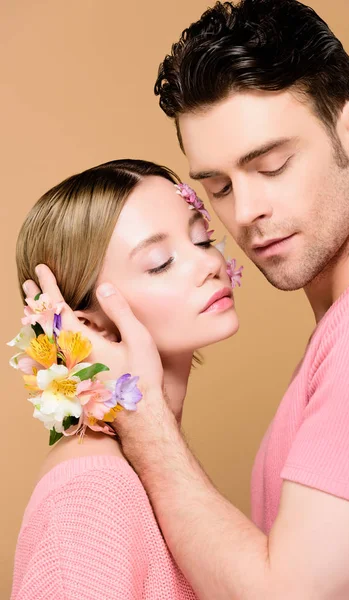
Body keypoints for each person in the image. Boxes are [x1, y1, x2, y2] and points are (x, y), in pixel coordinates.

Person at [21, 0, 349, 597]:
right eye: (218, 187)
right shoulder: (88, 493)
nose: (245, 215)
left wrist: (143, 422)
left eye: (272, 166)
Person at [11, 158, 240, 600]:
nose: (209, 263)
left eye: (202, 238)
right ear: (87, 326)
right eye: (160, 262)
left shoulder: (150, 468)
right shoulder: (90, 491)